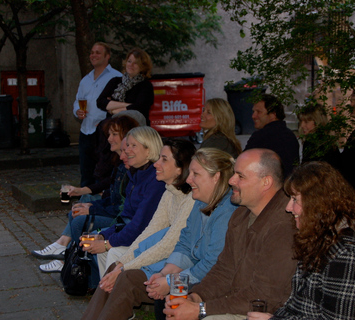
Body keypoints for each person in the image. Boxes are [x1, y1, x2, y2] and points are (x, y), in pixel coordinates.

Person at [80, 148, 237, 320]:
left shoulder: (227, 213)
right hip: (185, 274)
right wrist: (164, 274)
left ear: (217, 177)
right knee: (119, 272)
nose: (189, 178)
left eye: (196, 174)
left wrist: (170, 281)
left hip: (208, 283)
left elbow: (211, 266)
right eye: (190, 172)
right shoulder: (199, 202)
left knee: (128, 279)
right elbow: (183, 245)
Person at [163, 148, 297, 320]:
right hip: (238, 301)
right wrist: (195, 297)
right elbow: (223, 271)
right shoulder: (241, 214)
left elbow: (264, 296)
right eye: (234, 174)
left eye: (240, 176)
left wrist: (200, 310)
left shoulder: (284, 224)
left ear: (266, 182)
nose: (231, 180)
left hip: (269, 312)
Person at [248, 161, 355, 320]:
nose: (288, 207)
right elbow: (298, 307)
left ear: (317, 203)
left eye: (295, 199)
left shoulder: (349, 254)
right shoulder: (320, 239)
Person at [31, 115, 139, 272]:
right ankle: (67, 252)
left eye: (114, 134)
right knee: (80, 208)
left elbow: (121, 207)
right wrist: (90, 203)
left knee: (79, 221)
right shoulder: (118, 161)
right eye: (109, 134)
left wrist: (92, 208)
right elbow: (111, 190)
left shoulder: (130, 166)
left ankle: (69, 259)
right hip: (116, 211)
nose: (109, 139)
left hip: (121, 220)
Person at [98, 138, 197, 293]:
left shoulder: (191, 198)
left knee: (120, 268)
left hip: (180, 263)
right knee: (115, 260)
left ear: (180, 168)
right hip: (168, 256)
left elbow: (169, 244)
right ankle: (106, 298)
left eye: (164, 160)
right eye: (158, 158)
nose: (156, 164)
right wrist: (122, 264)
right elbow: (149, 231)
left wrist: (124, 268)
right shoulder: (169, 192)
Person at [78, 126, 165, 279]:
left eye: (133, 146)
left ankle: (111, 295)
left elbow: (140, 225)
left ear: (149, 149)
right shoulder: (137, 175)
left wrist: (107, 242)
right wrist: (102, 235)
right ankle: (105, 292)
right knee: (99, 242)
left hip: (152, 240)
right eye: (127, 146)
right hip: (137, 234)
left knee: (112, 251)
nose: (127, 151)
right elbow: (125, 218)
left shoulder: (155, 181)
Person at [73, 42, 122, 187]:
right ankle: (85, 203)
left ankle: (102, 203)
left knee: (103, 172)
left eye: (98, 52)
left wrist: (106, 123)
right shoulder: (85, 80)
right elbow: (77, 101)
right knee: (86, 173)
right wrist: (77, 111)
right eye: (92, 52)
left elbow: (120, 107)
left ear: (107, 56)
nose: (93, 55)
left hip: (104, 133)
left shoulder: (117, 78)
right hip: (85, 131)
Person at [244, 94, 299, 177]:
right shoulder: (290, 135)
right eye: (253, 112)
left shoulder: (261, 136)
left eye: (259, 112)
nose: (253, 116)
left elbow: (244, 163)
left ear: (273, 114)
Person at [97, 47, 154, 125]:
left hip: (135, 128)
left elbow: (139, 107)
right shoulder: (115, 81)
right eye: (129, 61)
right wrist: (128, 105)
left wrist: (113, 109)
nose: (131, 65)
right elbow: (100, 102)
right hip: (113, 127)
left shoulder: (146, 86)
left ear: (143, 66)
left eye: (135, 63)